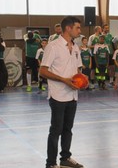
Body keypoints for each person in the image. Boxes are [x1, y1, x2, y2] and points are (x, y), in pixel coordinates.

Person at [40, 16, 84, 168]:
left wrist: (82, 79)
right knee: (56, 130)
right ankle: (51, 163)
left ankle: (65, 158)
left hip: (72, 95)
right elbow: (43, 71)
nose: (80, 30)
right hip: (58, 95)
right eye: (78, 27)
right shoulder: (53, 46)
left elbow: (77, 69)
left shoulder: (76, 47)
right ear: (68, 28)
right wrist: (63, 80)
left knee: (68, 129)